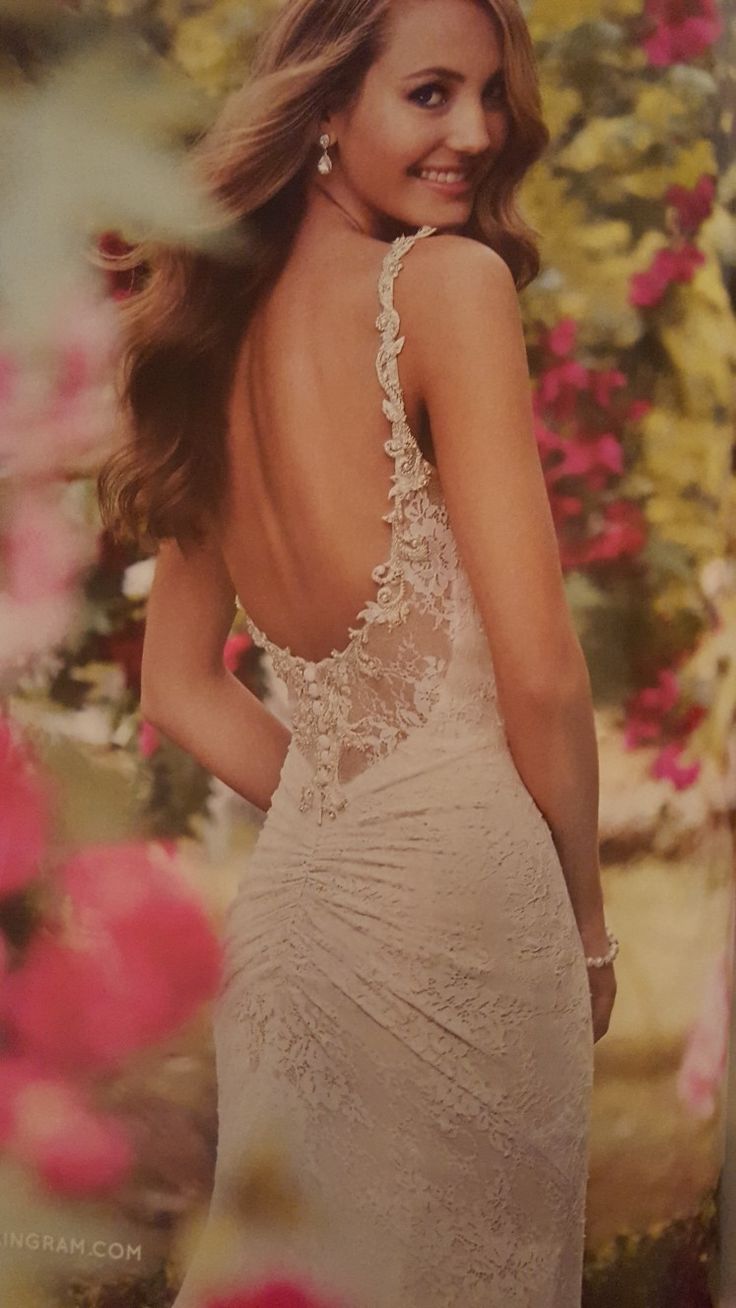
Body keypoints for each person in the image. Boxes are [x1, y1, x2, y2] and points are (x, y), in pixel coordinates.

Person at [97, 0, 618, 1302]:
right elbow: (543, 671)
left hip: (299, 916)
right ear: (325, 109)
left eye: (489, 97)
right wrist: (590, 930)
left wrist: (346, 805)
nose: (477, 133)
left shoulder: (207, 332)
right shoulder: (449, 286)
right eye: (432, 94)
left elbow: (179, 683)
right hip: (466, 909)